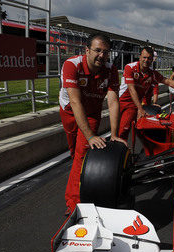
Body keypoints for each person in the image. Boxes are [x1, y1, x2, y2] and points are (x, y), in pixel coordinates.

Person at [59, 33, 122, 215]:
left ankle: (74, 204)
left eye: (106, 52)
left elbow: (113, 102)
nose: (101, 56)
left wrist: (114, 134)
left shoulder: (111, 70)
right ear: (87, 50)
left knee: (82, 153)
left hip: (92, 112)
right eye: (97, 50)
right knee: (74, 152)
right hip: (70, 110)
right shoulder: (72, 65)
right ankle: (78, 177)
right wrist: (90, 135)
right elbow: (76, 102)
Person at [116, 47, 174, 141]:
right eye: (144, 57)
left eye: (149, 58)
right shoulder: (130, 67)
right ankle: (121, 151)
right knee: (123, 131)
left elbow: (169, 82)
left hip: (136, 104)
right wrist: (140, 109)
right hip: (125, 102)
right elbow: (131, 89)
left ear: (152, 60)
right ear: (140, 57)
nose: (146, 60)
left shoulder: (152, 74)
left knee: (139, 129)